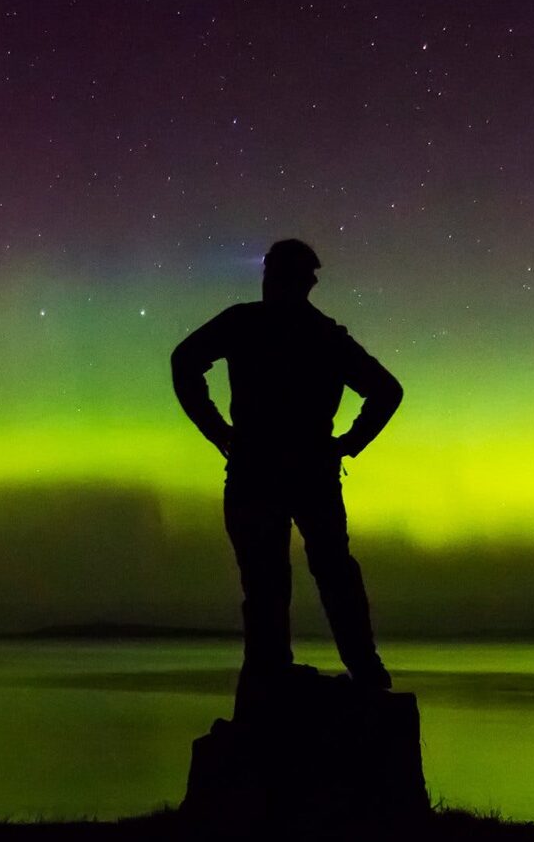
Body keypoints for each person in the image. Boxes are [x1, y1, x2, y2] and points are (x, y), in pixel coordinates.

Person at [171, 238, 402, 690]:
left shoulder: (251, 324)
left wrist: (220, 432)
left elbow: (184, 361)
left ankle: (275, 675)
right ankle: (355, 668)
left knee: (272, 579)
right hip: (302, 468)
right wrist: (348, 443)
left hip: (261, 467)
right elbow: (386, 391)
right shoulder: (322, 336)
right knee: (320, 572)